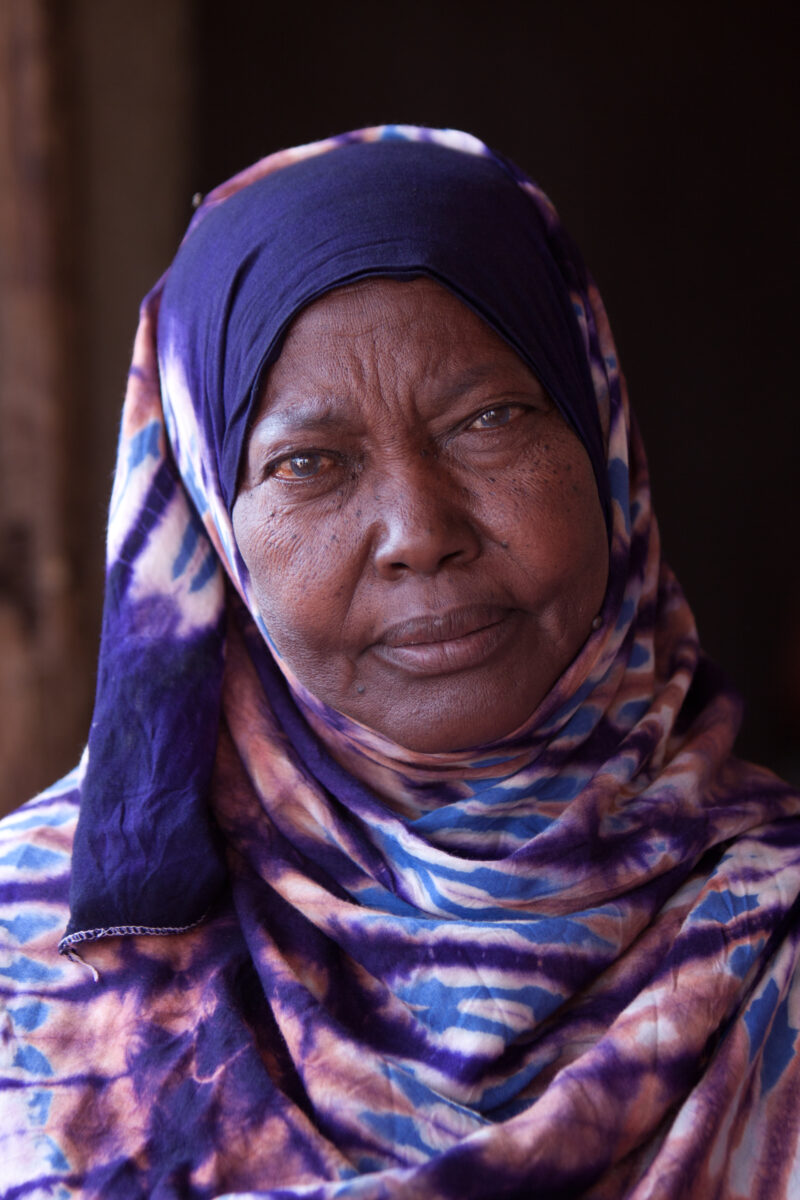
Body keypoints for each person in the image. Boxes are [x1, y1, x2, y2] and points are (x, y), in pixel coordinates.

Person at [1, 124, 799, 1199]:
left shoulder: (775, 933)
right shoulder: (27, 954)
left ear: (600, 438)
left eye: (489, 419)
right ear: (216, 530)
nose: (420, 532)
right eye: (308, 464)